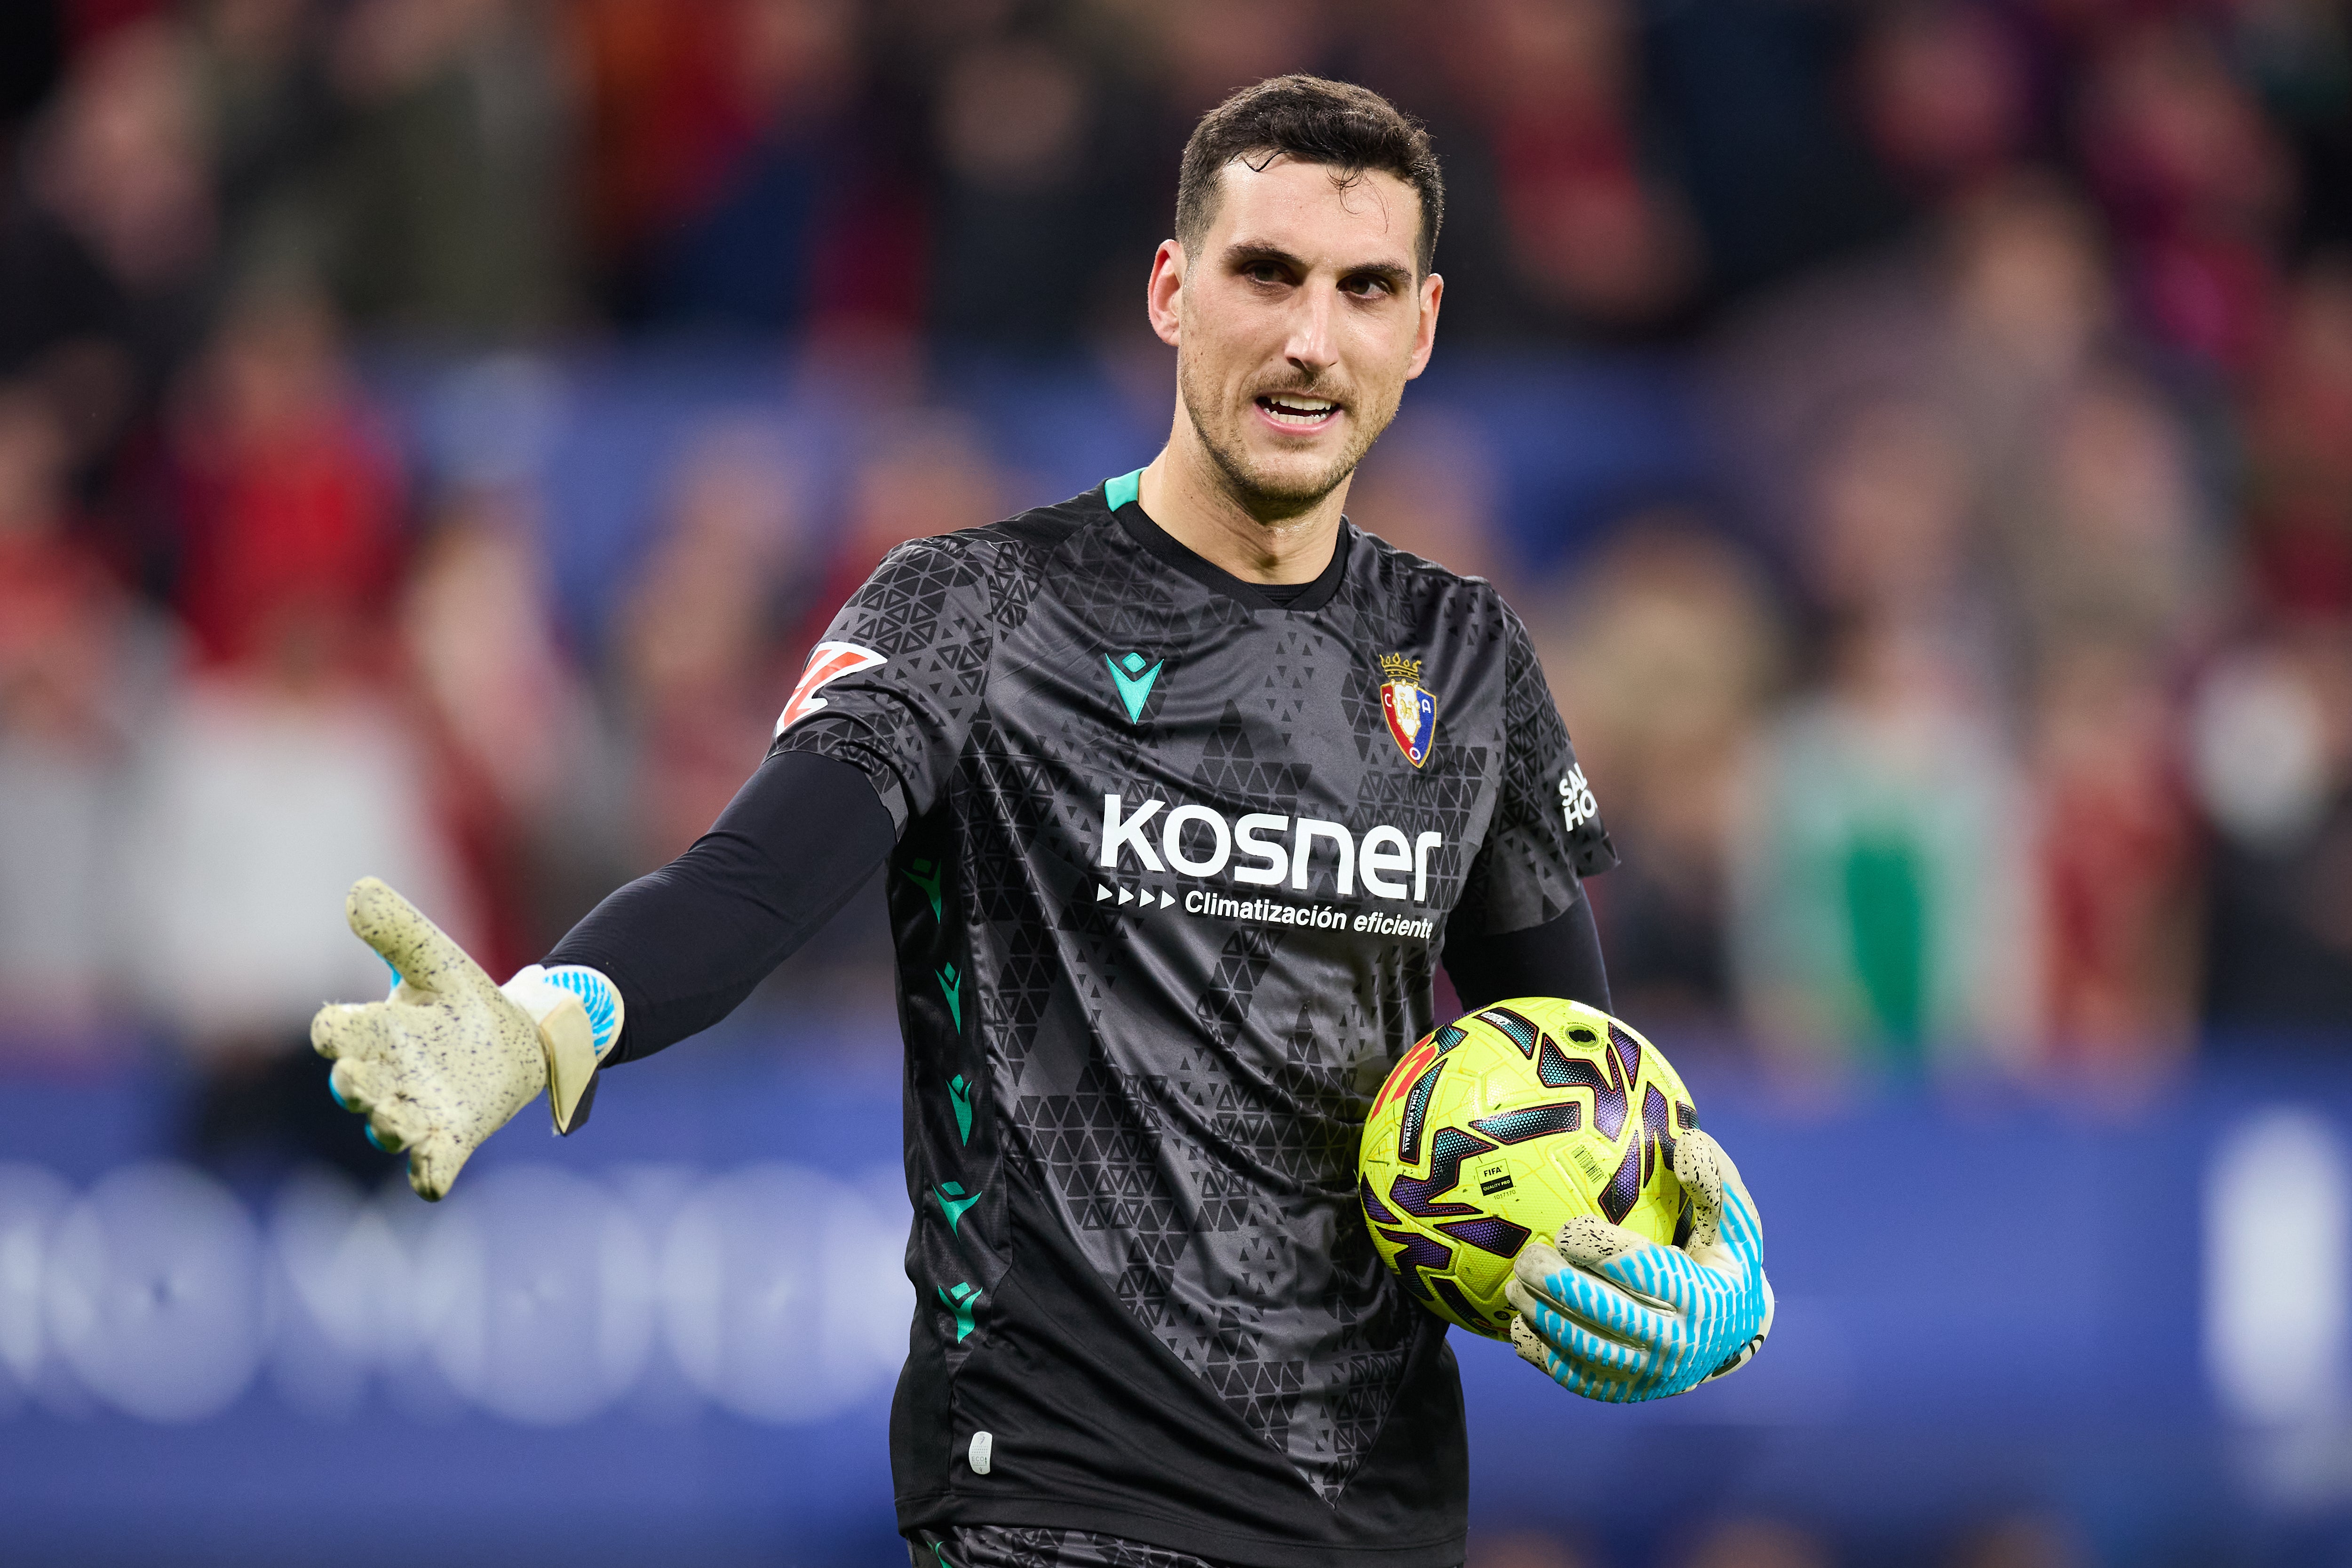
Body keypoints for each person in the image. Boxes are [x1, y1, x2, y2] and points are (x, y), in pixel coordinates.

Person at [310, 76, 1772, 1568]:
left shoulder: (1468, 659)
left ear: (1423, 327)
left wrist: (1701, 1268)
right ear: (1171, 291)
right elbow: (749, 885)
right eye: (1266, 275)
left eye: (1364, 289)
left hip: (1378, 1521)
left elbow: (1579, 1068)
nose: (1311, 339)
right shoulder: (979, 607)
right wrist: (539, 1021)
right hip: (1054, 1505)